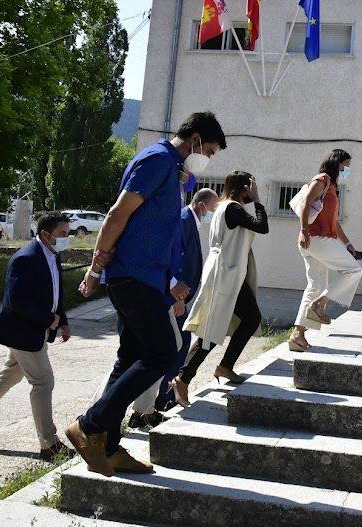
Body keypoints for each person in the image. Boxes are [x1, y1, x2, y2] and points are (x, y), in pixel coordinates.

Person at [66, 112, 225, 478]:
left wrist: (183, 177)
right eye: (210, 150)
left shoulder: (173, 168)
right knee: (163, 352)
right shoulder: (156, 160)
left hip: (148, 278)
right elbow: (117, 215)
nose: (210, 157)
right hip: (132, 276)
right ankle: (90, 426)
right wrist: (95, 267)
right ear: (196, 139)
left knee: (131, 358)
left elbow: (172, 208)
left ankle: (106, 446)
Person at [0, 212, 75, 459]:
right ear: (45, 234)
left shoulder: (53, 255)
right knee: (43, 383)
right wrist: (47, 319)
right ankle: (49, 444)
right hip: (23, 330)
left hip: (35, 329)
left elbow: (55, 292)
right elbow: (17, 301)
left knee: (8, 376)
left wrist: (63, 320)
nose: (67, 238)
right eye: (63, 233)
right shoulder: (25, 259)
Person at [170, 172, 269, 407]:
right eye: (251, 187)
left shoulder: (225, 208)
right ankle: (183, 379)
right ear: (245, 188)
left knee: (241, 320)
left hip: (230, 273)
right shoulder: (233, 208)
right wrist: (257, 200)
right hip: (226, 274)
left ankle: (224, 366)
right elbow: (262, 226)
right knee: (212, 327)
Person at [128, 188, 219, 428]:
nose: (213, 214)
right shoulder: (182, 219)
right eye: (212, 209)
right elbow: (174, 260)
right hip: (169, 297)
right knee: (167, 349)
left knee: (174, 347)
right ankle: (152, 403)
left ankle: (151, 405)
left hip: (176, 296)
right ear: (201, 206)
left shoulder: (188, 220)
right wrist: (176, 297)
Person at [289, 149, 362, 352]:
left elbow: (334, 222)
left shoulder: (331, 186)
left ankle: (298, 335)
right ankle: (320, 304)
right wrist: (304, 230)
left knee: (316, 286)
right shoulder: (322, 179)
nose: (347, 169)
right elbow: (305, 203)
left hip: (316, 240)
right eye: (345, 165)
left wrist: (347, 244)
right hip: (315, 238)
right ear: (336, 162)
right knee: (354, 271)